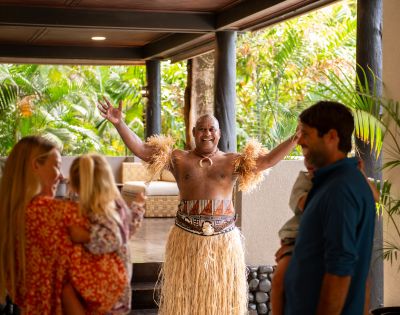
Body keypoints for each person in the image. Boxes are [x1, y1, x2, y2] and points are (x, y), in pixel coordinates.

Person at [98, 98, 300, 315]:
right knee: (186, 300)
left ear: (219, 133)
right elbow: (142, 150)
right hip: (186, 239)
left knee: (219, 301)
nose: (207, 133)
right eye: (202, 129)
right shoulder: (178, 158)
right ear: (193, 132)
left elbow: (267, 161)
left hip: (223, 241)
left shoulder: (233, 161)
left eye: (212, 129)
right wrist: (119, 123)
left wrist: (295, 139)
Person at [0, 136, 129, 314]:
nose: (61, 176)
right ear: (36, 165)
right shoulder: (63, 214)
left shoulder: (10, 218)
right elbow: (114, 242)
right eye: (57, 166)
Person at [284, 101, 376, 315]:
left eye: (306, 134)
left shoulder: (340, 190)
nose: (301, 142)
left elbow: (340, 269)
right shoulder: (332, 183)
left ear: (332, 137)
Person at [64, 154, 145, 315]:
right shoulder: (112, 205)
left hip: (102, 282)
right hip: (112, 282)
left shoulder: (96, 207)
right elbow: (123, 233)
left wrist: (86, 236)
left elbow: (116, 236)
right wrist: (137, 209)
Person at [271, 159, 314, 315]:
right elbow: (304, 204)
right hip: (297, 237)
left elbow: (376, 196)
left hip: (326, 238)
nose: (308, 159)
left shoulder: (343, 177)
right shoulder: (305, 180)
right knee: (279, 279)